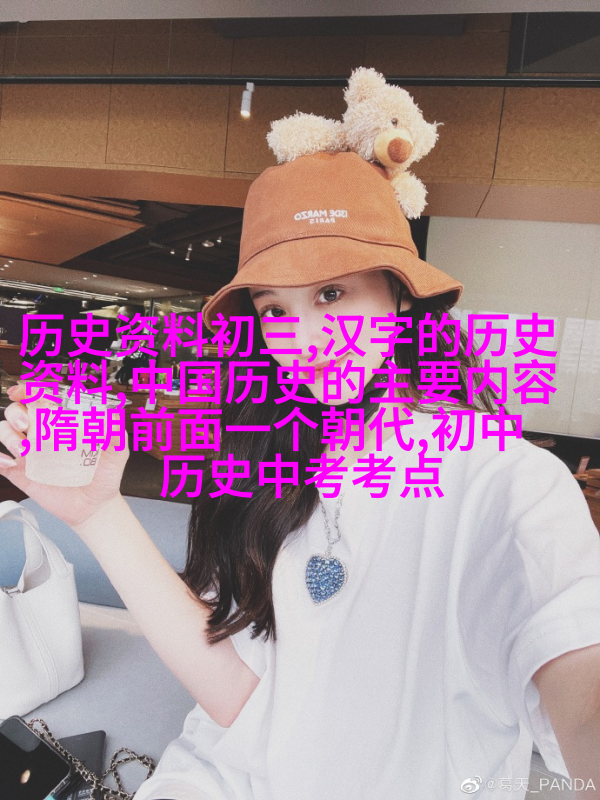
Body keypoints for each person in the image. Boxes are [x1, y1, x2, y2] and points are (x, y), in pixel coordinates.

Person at [1, 151, 600, 800]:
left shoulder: (508, 484)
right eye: (275, 310)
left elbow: (583, 695)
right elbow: (240, 700)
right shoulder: (271, 466)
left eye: (331, 293)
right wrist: (99, 514)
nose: (304, 339)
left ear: (400, 294)